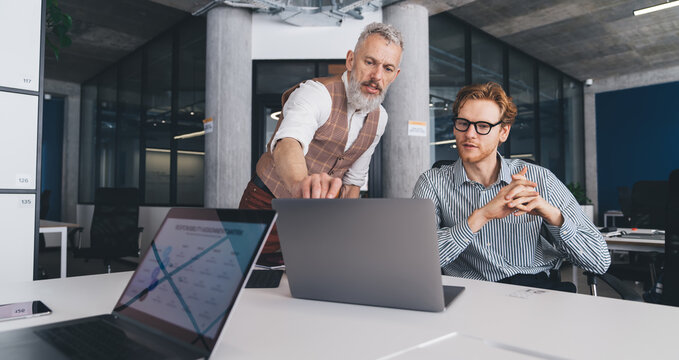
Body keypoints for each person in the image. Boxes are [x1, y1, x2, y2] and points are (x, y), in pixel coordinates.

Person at [412, 82, 610, 292]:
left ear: (503, 132)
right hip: (471, 294)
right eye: (463, 123)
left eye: (482, 126)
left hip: (533, 292)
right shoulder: (432, 183)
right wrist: (482, 216)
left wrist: (553, 216)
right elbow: (417, 260)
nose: (469, 133)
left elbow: (599, 260)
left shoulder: (540, 179)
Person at [240, 22, 403, 265]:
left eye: (388, 68)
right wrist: (299, 185)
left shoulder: (380, 118)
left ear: (394, 75)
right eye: (370, 62)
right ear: (350, 60)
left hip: (321, 219)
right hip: (266, 205)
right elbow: (288, 143)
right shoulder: (316, 94)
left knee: (311, 287)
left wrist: (345, 230)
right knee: (252, 284)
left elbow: (352, 183)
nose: (377, 76)